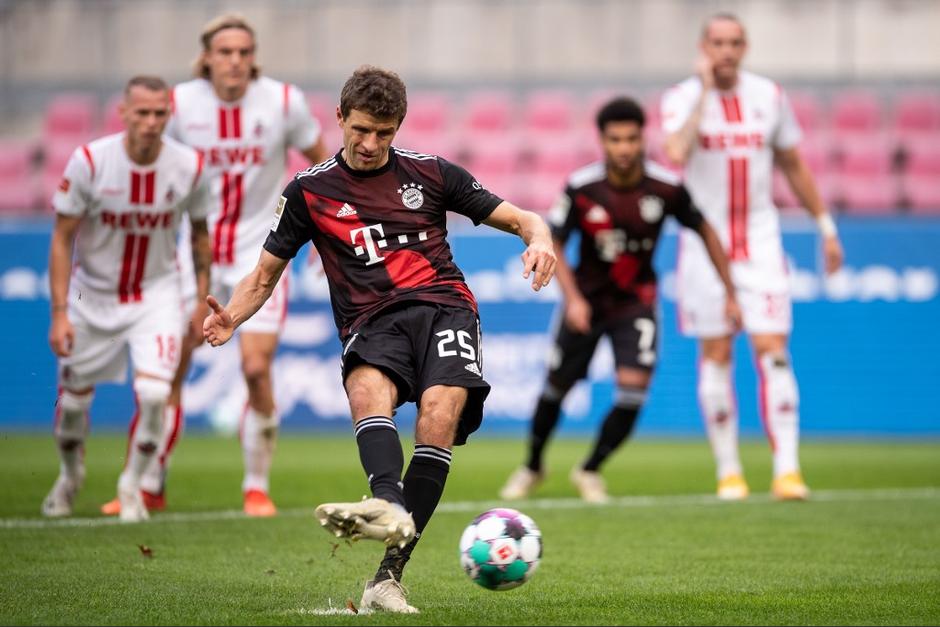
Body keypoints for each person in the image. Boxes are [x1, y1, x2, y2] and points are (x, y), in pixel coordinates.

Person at [202, 65, 556, 613]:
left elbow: (523, 218)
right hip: (370, 320)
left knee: (438, 416)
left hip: (445, 308)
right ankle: (387, 502)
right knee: (367, 393)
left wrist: (540, 240)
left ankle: (388, 576)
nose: (370, 144)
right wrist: (233, 316)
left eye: (384, 133)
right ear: (339, 117)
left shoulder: (431, 173)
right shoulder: (309, 191)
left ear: (399, 127)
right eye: (361, 130)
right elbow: (264, 276)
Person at [100, 13, 329, 517]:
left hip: (261, 253)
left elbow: (322, 164)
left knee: (255, 368)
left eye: (244, 52)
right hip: (192, 253)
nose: (235, 61)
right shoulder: (180, 104)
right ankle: (148, 483)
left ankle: (256, 487)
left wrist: (323, 231)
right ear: (207, 57)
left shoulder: (282, 102)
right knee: (170, 368)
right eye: (225, 52)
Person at [499, 97, 740, 503]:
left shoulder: (666, 188)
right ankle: (533, 465)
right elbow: (555, 241)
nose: (624, 148)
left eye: (631, 139)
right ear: (603, 141)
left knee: (634, 389)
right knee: (556, 387)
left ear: (642, 139)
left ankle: (590, 469)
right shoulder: (582, 187)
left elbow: (707, 231)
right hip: (587, 302)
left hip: (636, 302)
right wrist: (573, 298)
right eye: (616, 139)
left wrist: (731, 292)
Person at [661, 13, 844, 501]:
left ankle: (788, 471)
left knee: (773, 348)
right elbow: (675, 152)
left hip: (761, 242)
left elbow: (793, 164)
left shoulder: (769, 96)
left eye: (735, 43)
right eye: (718, 43)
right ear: (704, 47)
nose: (726, 51)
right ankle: (729, 472)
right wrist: (704, 92)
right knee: (717, 353)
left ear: (745, 47)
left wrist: (826, 227)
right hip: (704, 246)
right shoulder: (681, 98)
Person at [42, 75, 211, 522]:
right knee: (73, 405)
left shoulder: (190, 166)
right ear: (124, 113)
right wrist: (59, 312)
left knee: (155, 393)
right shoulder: (90, 162)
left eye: (160, 113)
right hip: (92, 295)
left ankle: (131, 486)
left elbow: (200, 235)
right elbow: (61, 238)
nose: (151, 122)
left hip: (157, 295)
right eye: (142, 113)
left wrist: (199, 300)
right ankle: (70, 475)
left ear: (169, 115)